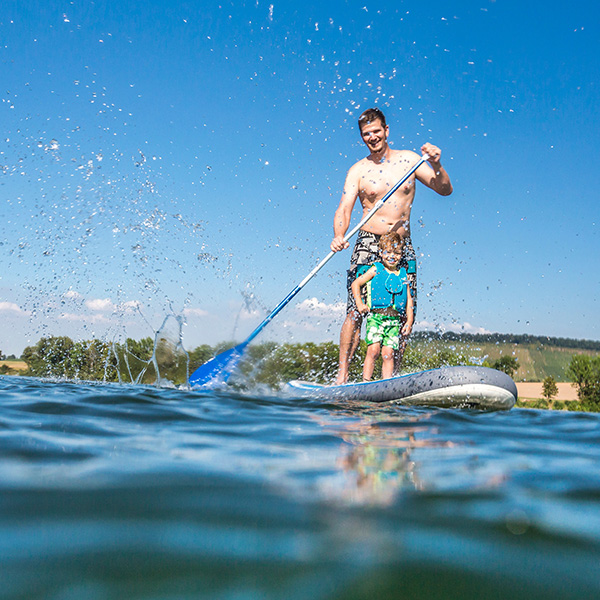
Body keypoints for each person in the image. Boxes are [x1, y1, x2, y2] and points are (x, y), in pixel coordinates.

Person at [331, 107, 452, 384]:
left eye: (376, 131)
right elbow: (344, 208)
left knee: (400, 312)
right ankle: (343, 375)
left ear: (387, 131)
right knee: (356, 309)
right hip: (368, 242)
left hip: (401, 245)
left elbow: (444, 189)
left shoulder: (410, 160)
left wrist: (437, 164)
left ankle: (391, 379)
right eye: (366, 134)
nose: (372, 137)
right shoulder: (358, 170)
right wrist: (339, 234)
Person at [351, 232, 414, 381]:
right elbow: (356, 284)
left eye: (397, 253)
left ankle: (386, 383)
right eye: (389, 252)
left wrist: (409, 321)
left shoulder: (403, 275)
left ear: (401, 254)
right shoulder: (376, 269)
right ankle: (366, 381)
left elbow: (409, 300)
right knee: (373, 351)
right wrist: (360, 303)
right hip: (376, 318)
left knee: (389, 354)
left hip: (393, 321)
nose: (393, 256)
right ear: (381, 252)